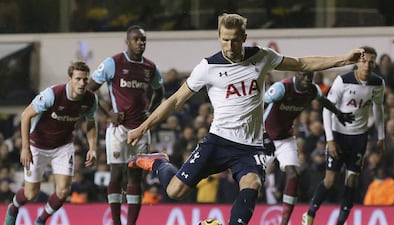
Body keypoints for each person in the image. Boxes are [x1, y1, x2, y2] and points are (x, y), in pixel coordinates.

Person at [126, 13, 365, 225]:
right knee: (175, 191)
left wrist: (345, 59)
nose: (229, 45)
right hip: (218, 140)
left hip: (249, 147)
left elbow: (302, 63)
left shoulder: (262, 57)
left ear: (244, 37)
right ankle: (158, 161)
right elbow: (176, 100)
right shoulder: (208, 67)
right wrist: (141, 128)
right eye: (224, 39)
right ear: (219, 37)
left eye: (235, 39)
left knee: (252, 185)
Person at [3, 61, 98, 225]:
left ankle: (41, 221)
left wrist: (92, 148)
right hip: (37, 145)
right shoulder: (52, 94)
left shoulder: (90, 99)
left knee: (63, 192)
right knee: (31, 194)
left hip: (63, 146)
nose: (82, 83)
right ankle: (14, 207)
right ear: (70, 79)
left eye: (85, 79)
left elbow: (90, 123)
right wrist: (25, 148)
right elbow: (26, 115)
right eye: (78, 79)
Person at [87, 25, 164, 225]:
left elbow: (160, 91)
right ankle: (115, 222)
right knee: (117, 172)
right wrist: (107, 113)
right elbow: (90, 89)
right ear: (127, 41)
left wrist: (152, 111)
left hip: (141, 129)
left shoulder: (150, 67)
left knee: (135, 175)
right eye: (136, 39)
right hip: (118, 129)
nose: (141, 43)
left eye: (143, 40)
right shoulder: (114, 63)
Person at [302, 46, 385, 225]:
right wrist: (330, 139)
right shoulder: (343, 80)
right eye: (364, 61)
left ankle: (340, 221)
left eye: (371, 62)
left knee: (352, 179)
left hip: (359, 137)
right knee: (330, 179)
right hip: (339, 135)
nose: (367, 65)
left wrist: (381, 136)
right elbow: (327, 109)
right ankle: (310, 212)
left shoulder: (378, 83)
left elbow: (378, 108)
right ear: (357, 62)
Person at [262, 71, 354, 225]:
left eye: (309, 77)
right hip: (263, 136)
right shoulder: (281, 88)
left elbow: (323, 101)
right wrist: (264, 135)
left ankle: (283, 223)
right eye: (303, 76)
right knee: (253, 180)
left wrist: (339, 113)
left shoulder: (312, 90)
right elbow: (259, 107)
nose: (306, 79)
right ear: (295, 75)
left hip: (285, 137)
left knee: (293, 174)